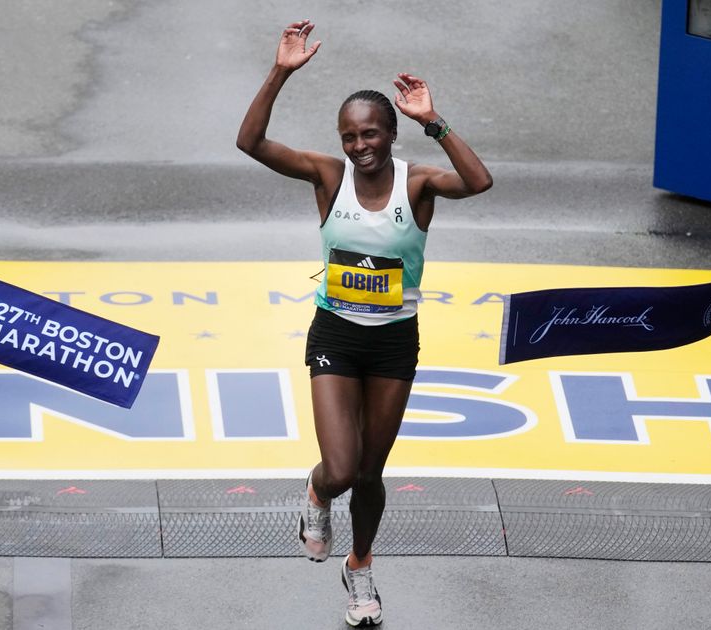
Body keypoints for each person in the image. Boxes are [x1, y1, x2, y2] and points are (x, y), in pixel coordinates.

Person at [236, 19, 492, 627]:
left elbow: (478, 181)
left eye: (370, 133)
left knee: (372, 473)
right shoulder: (329, 176)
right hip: (336, 335)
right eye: (349, 136)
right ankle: (317, 492)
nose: (359, 146)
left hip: (395, 343)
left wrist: (435, 121)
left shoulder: (419, 183)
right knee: (342, 469)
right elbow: (250, 142)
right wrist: (280, 71)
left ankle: (360, 568)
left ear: (392, 133)